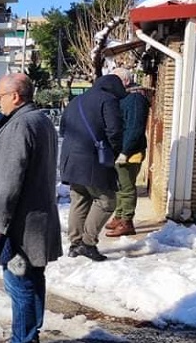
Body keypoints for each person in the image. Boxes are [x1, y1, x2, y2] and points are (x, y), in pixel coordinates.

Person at [0, 73, 62, 343]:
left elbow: (10, 181)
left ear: (15, 96)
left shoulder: (20, 125)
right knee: (32, 281)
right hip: (34, 222)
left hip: (19, 227)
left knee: (20, 284)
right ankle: (30, 334)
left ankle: (23, 339)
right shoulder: (40, 120)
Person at [59, 74, 126, 261]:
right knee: (107, 201)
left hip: (70, 159)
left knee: (79, 200)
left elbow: (62, 129)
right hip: (93, 159)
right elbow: (115, 131)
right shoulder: (108, 100)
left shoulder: (76, 101)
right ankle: (87, 243)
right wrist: (113, 152)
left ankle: (74, 243)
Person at [105, 68, 151, 237]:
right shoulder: (126, 97)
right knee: (120, 186)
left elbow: (135, 128)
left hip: (130, 152)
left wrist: (125, 151)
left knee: (127, 187)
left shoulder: (135, 99)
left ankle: (127, 221)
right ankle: (119, 216)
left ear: (124, 81)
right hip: (123, 150)